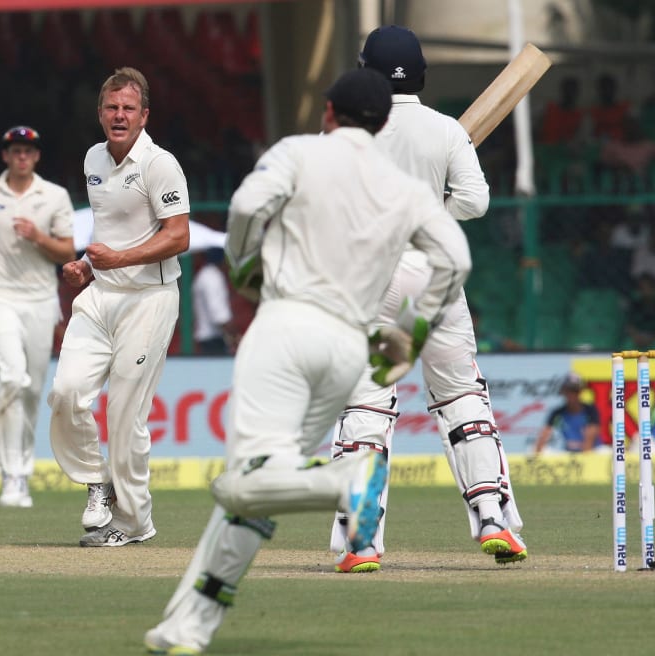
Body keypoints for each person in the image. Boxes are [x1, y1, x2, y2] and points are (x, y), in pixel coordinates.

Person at [144, 68, 472, 655]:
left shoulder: (299, 152)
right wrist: (407, 334)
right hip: (350, 347)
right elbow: (454, 260)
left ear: (328, 112)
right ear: (385, 121)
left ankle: (345, 480)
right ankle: (189, 626)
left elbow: (245, 204)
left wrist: (244, 262)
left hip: (287, 328)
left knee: (246, 484)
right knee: (260, 491)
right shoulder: (406, 190)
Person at [328, 25, 526, 574]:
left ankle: (362, 540)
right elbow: (476, 201)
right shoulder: (444, 130)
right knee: (462, 397)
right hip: (436, 277)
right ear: (421, 75)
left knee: (367, 404)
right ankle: (494, 519)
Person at [47, 67, 190, 547]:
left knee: (126, 417)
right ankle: (96, 481)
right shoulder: (93, 158)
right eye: (112, 107)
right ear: (100, 113)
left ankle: (134, 523)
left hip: (149, 299)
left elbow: (179, 236)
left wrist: (118, 259)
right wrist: (89, 268)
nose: (120, 115)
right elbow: (112, 234)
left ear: (144, 115)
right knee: (66, 392)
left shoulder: (159, 164)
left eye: (129, 108)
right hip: (101, 295)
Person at [0, 125, 75, 508]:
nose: (22, 156)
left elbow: (67, 252)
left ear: (37, 157)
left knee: (32, 389)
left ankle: (22, 469)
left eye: (28, 151)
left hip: (41, 300)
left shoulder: (54, 196)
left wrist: (38, 236)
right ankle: (14, 475)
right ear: (5, 156)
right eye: (15, 151)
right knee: (11, 378)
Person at [533, 373, 599, 454]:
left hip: (593, 452)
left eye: (575, 391)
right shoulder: (557, 413)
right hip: (570, 453)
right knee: (537, 451)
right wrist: (536, 455)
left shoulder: (590, 411)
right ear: (563, 391)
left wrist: (584, 461)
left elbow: (590, 439)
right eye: (568, 390)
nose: (572, 394)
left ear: (580, 392)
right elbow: (543, 436)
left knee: (606, 453)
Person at [192, 247, 235, 355]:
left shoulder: (206, 274)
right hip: (212, 340)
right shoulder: (212, 277)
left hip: (208, 338)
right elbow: (219, 315)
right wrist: (235, 336)